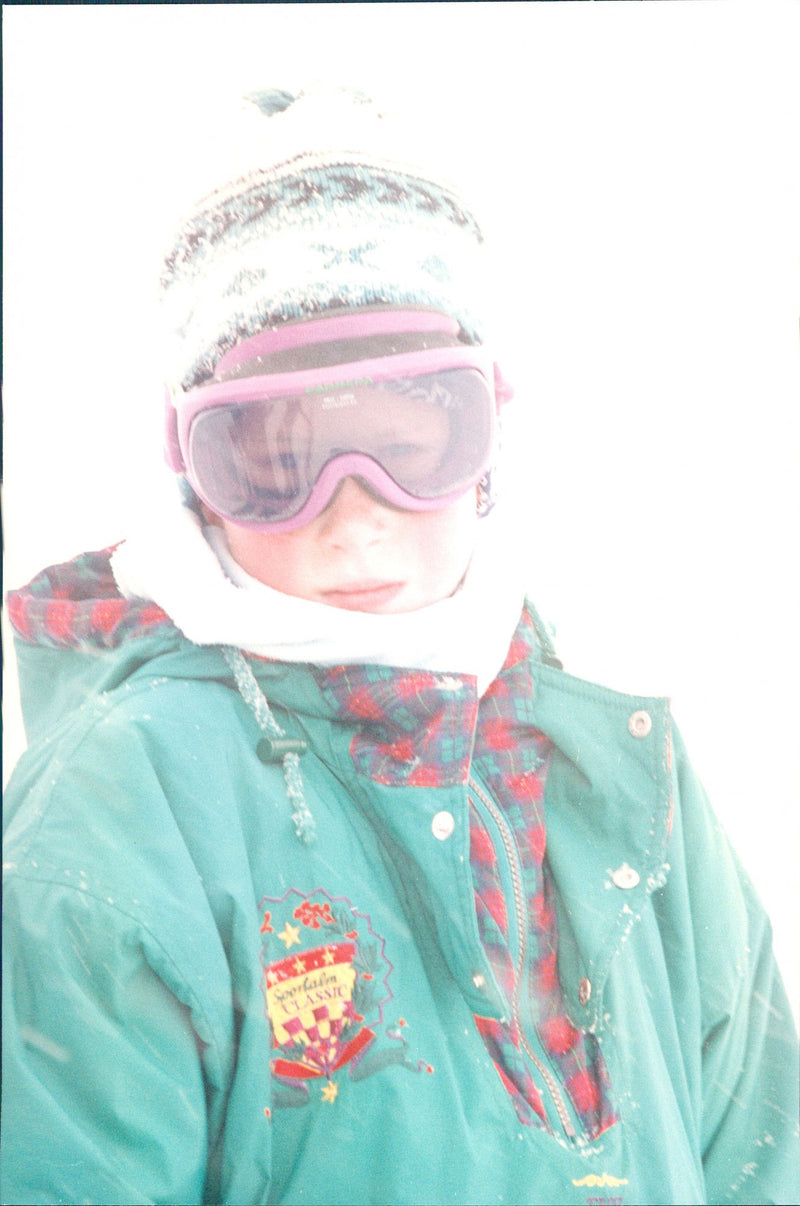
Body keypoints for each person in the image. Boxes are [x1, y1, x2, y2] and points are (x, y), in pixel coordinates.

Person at [2, 86, 797, 1206]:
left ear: (486, 436)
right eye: (275, 457)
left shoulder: (615, 771)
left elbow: (758, 1148)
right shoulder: (125, 805)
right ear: (192, 469)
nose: (354, 513)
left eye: (411, 439)